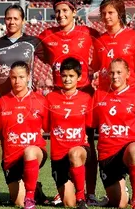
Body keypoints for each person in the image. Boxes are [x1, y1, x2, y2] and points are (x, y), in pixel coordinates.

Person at [91, 59, 135, 209]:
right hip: (107, 155)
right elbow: (90, 125)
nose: (115, 76)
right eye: (112, 72)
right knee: (119, 203)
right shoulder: (99, 95)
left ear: (128, 74)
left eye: (119, 72)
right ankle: (122, 189)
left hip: (127, 149)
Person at [0, 61, 49, 209]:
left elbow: (47, 127)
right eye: (13, 77)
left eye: (21, 77)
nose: (17, 81)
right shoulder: (2, 102)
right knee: (18, 201)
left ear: (28, 77)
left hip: (34, 153)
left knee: (30, 151)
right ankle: (36, 188)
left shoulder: (40, 100)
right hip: (11, 158)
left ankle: (30, 197)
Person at [46, 57, 92, 209]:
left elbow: (91, 124)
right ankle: (73, 190)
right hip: (58, 155)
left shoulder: (86, 98)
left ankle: (81, 199)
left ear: (79, 77)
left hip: (79, 149)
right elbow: (45, 125)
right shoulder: (51, 98)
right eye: (64, 75)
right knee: (67, 203)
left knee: (75, 153)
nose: (67, 79)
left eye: (71, 76)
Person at [0, 5, 45, 96]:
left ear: (23, 21)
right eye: (9, 18)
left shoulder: (33, 42)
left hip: (26, 96)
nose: (12, 22)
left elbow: (50, 59)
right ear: (4, 20)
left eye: (16, 18)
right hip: (2, 96)